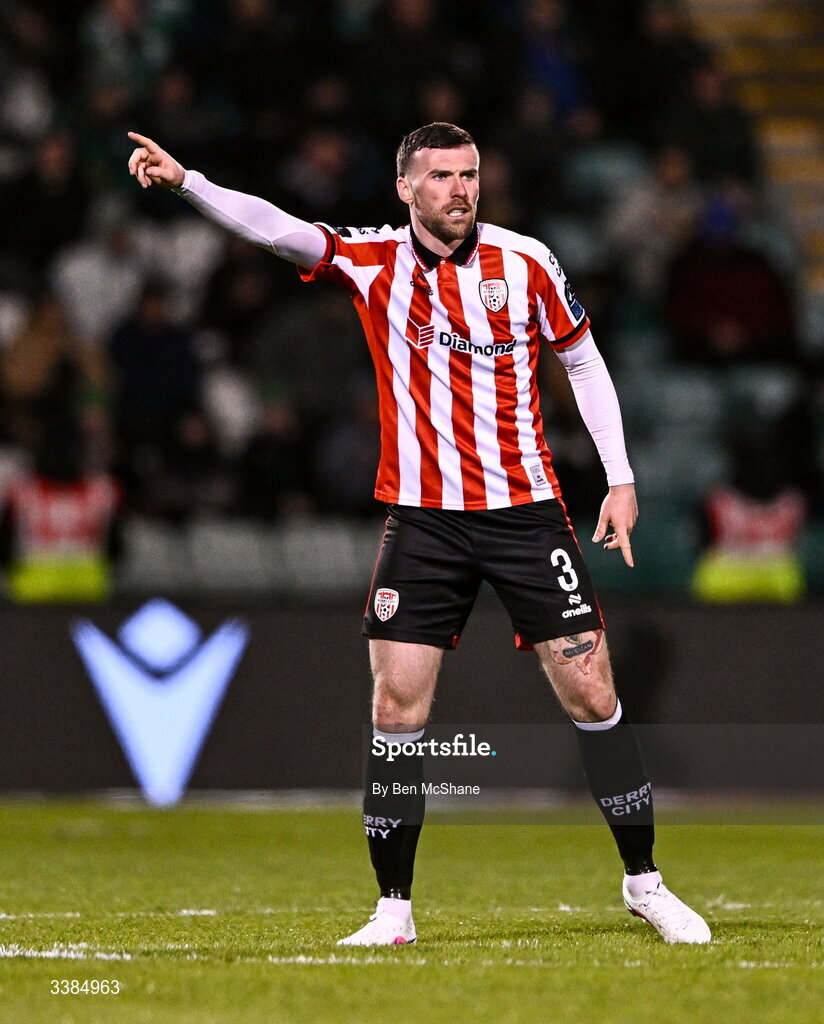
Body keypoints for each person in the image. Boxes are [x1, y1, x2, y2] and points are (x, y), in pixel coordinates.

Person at [127, 122, 711, 946]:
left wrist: (619, 478)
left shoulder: (528, 261)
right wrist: (190, 181)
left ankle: (645, 883)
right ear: (406, 188)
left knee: (594, 693)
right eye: (440, 176)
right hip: (425, 521)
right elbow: (275, 226)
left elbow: (582, 360)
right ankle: (393, 910)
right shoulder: (375, 263)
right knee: (397, 707)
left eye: (469, 174)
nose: (460, 190)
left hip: (526, 511)